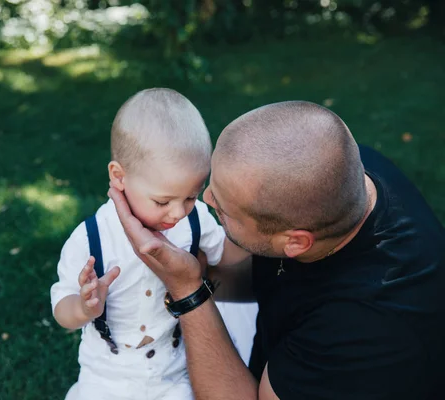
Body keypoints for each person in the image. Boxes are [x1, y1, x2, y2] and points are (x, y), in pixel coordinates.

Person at [109, 100, 445, 400]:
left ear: (295, 242)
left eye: (224, 208)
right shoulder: (342, 172)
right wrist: (193, 269)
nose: (205, 200)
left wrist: (187, 291)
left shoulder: (361, 329)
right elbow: (262, 277)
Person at [50, 88, 257, 400]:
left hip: (175, 375)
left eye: (190, 195)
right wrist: (84, 306)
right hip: (106, 379)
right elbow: (62, 312)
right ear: (119, 176)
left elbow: (231, 260)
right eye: (162, 201)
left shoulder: (196, 219)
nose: (177, 212)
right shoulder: (91, 238)